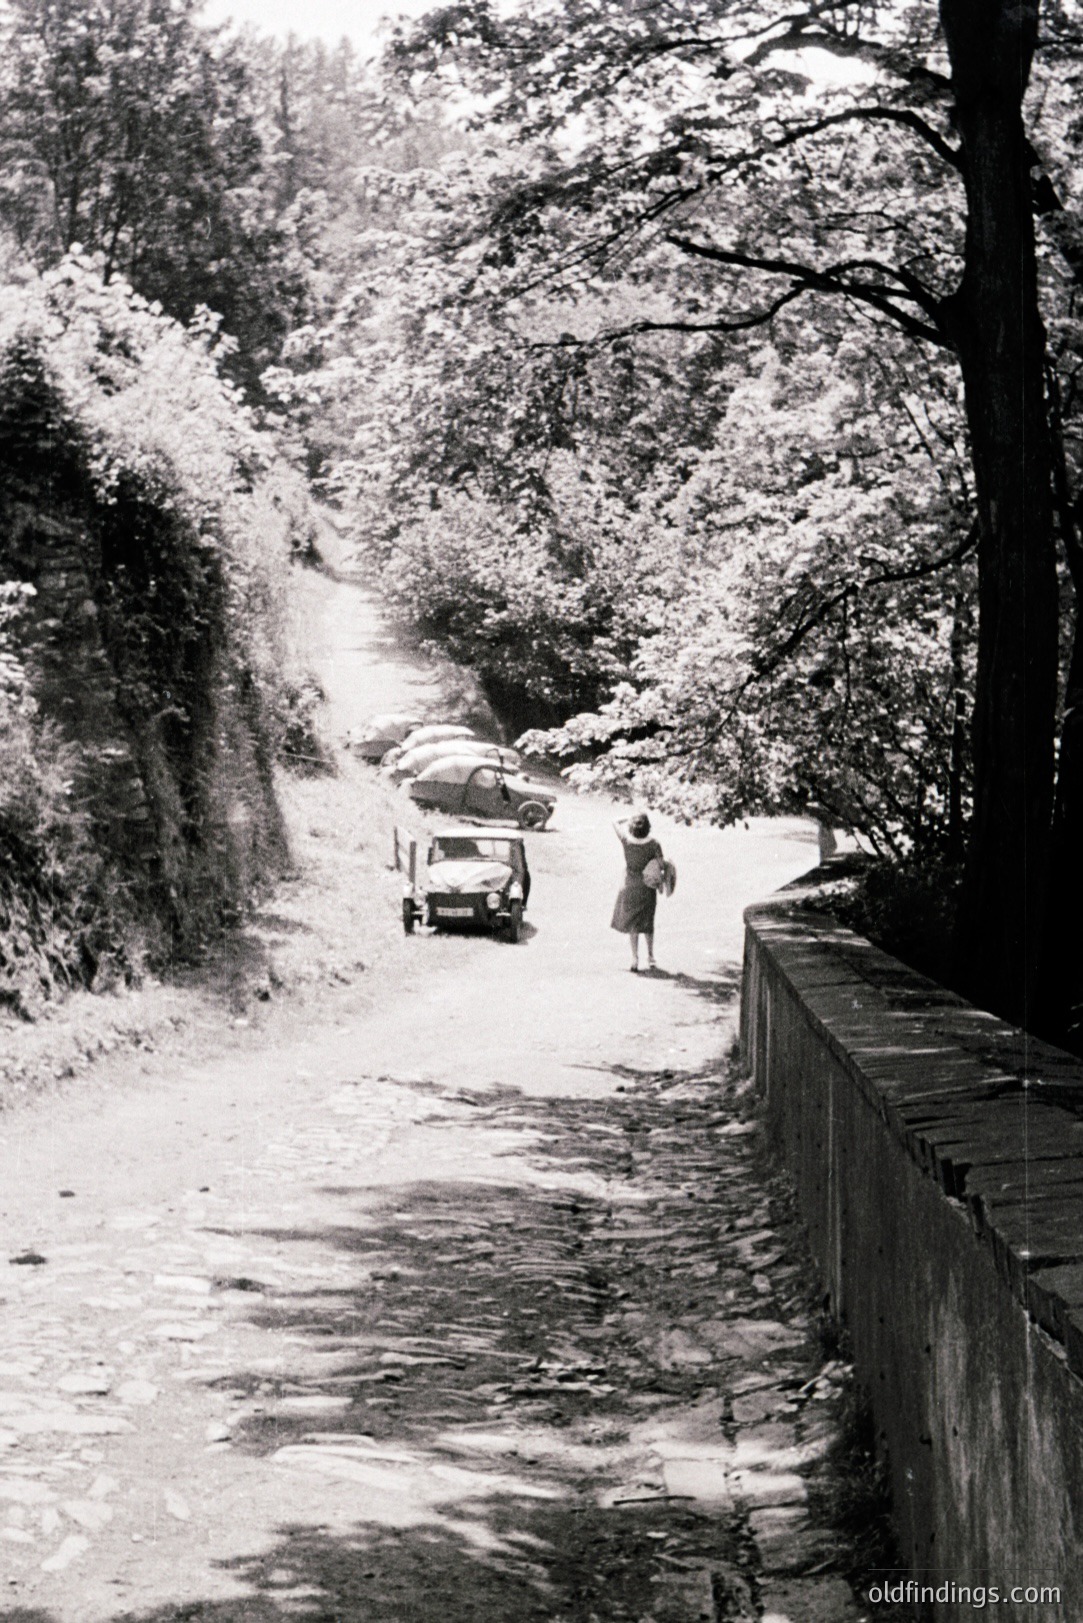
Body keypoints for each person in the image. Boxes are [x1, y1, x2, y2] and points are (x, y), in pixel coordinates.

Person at [611, 813, 664, 972]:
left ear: (632, 827)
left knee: (633, 925)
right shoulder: (654, 844)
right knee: (647, 922)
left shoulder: (626, 841)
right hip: (647, 887)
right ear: (648, 827)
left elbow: (614, 821)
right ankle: (651, 957)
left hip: (630, 885)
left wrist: (627, 817)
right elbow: (661, 865)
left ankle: (634, 959)